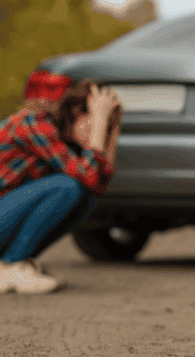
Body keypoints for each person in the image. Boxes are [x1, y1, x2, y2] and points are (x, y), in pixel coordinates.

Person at [0, 80, 122, 294]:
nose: (98, 134)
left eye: (103, 128)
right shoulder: (36, 124)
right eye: (95, 123)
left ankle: (16, 262)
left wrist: (113, 131)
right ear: (76, 112)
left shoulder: (65, 136)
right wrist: (100, 124)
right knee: (68, 187)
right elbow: (89, 177)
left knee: (85, 198)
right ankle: (11, 264)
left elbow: (98, 186)